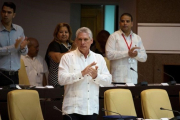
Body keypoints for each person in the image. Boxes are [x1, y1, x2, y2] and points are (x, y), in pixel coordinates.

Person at [58, 27, 112, 120]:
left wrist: (96, 76)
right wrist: (81, 73)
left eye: (85, 39)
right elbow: (61, 80)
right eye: (80, 39)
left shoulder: (98, 58)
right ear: (75, 41)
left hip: (91, 109)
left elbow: (108, 81)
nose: (83, 42)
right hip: (72, 109)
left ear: (91, 41)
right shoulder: (67, 57)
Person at [105, 13, 147, 84]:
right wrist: (127, 53)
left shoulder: (137, 38)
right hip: (118, 78)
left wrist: (136, 54)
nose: (125, 23)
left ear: (132, 23)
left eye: (127, 21)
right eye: (122, 21)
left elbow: (144, 57)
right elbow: (109, 54)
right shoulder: (113, 37)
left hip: (132, 79)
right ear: (119, 23)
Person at [0, 2, 29, 86]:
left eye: (9, 12)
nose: (6, 14)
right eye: (4, 11)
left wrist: (23, 48)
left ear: (14, 15)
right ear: (1, 12)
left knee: (14, 99)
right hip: (1, 74)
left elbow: (24, 52)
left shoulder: (19, 29)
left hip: (15, 75)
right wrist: (14, 47)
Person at [45, 23, 76, 87]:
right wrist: (72, 50)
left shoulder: (70, 44)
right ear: (56, 34)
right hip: (57, 79)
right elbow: (58, 59)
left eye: (66, 32)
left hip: (69, 78)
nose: (64, 34)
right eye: (61, 32)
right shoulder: (54, 45)